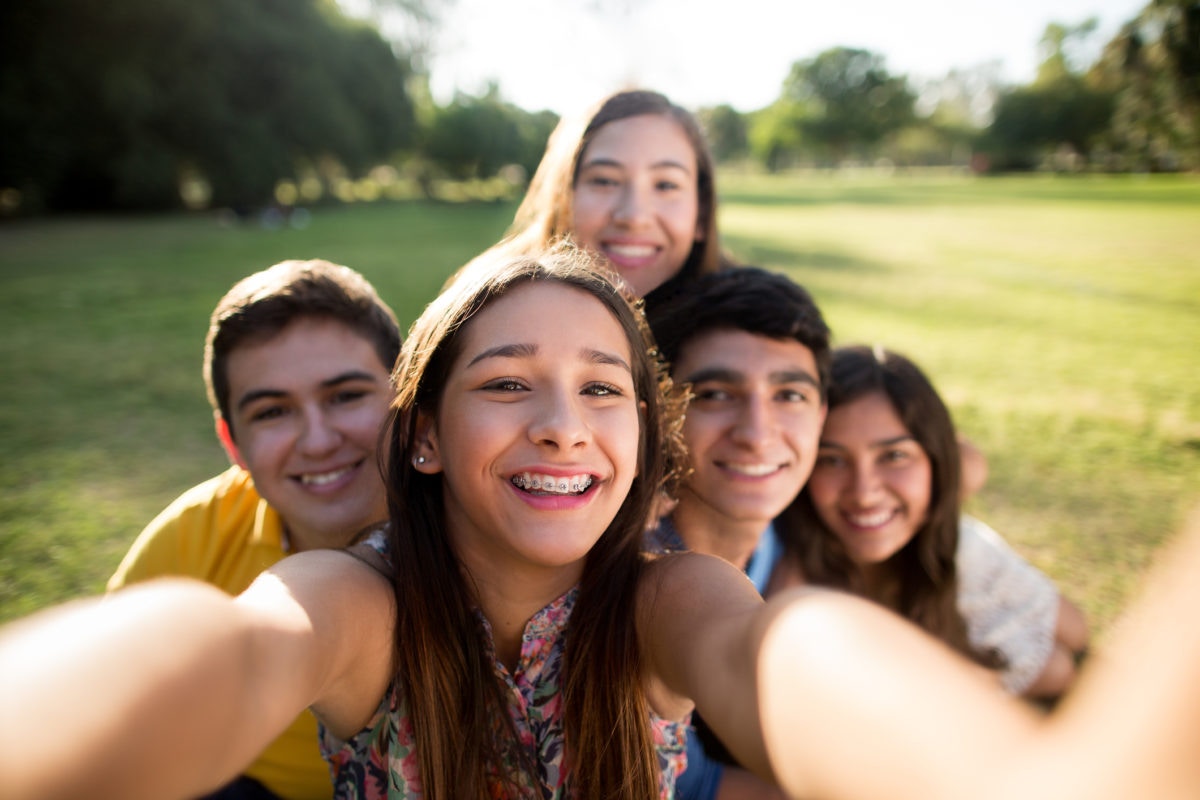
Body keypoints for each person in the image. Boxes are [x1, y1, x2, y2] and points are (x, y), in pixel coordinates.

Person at [6, 245, 1200, 800]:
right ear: (420, 437)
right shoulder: (360, 603)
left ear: (642, 439)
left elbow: (783, 655)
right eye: (509, 381)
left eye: (603, 387)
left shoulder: (670, 599)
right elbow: (229, 649)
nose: (565, 424)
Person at [107, 259, 402, 800]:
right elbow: (102, 692)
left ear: (404, 396)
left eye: (346, 396)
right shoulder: (195, 534)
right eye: (272, 412)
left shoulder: (485, 524)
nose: (317, 441)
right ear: (232, 443)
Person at [777, 344, 1090, 699]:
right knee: (1056, 672)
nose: (863, 492)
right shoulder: (790, 571)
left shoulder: (948, 480)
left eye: (893, 455)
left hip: (936, 560)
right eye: (831, 460)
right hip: (911, 660)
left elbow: (969, 465)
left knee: (1076, 634)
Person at [645, 266, 830, 800]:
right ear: (661, 414)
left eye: (789, 395)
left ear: (822, 415)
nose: (756, 434)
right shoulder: (638, 570)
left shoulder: (803, 530)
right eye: (715, 395)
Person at [505, 88, 727, 303]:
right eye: (605, 181)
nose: (634, 217)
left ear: (701, 212)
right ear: (562, 197)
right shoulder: (488, 314)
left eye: (666, 185)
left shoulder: (748, 328)